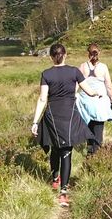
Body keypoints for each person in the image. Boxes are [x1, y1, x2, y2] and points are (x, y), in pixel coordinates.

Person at [31, 43, 99, 208]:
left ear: (51, 57)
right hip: (69, 116)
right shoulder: (74, 71)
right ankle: (63, 193)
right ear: (65, 55)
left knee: (55, 147)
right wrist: (96, 93)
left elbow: (42, 99)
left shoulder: (46, 74)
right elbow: (88, 91)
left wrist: (35, 121)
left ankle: (55, 179)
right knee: (66, 151)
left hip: (52, 116)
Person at [76, 43, 112, 156]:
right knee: (98, 130)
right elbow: (109, 85)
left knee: (89, 128)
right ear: (99, 53)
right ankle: (96, 154)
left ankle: (90, 151)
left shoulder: (82, 67)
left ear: (88, 53)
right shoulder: (103, 67)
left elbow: (76, 85)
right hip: (100, 103)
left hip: (85, 104)